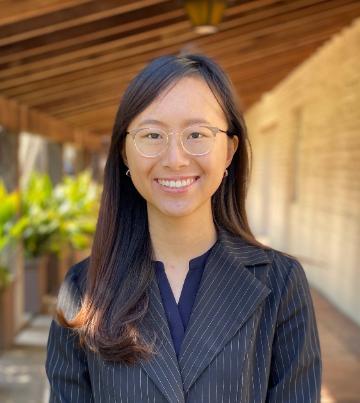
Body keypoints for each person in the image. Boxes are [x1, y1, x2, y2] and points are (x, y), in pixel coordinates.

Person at [45, 53, 322, 402]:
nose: (175, 158)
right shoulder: (83, 289)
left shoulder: (280, 283)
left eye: (196, 134)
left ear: (229, 151)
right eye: (152, 135)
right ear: (125, 153)